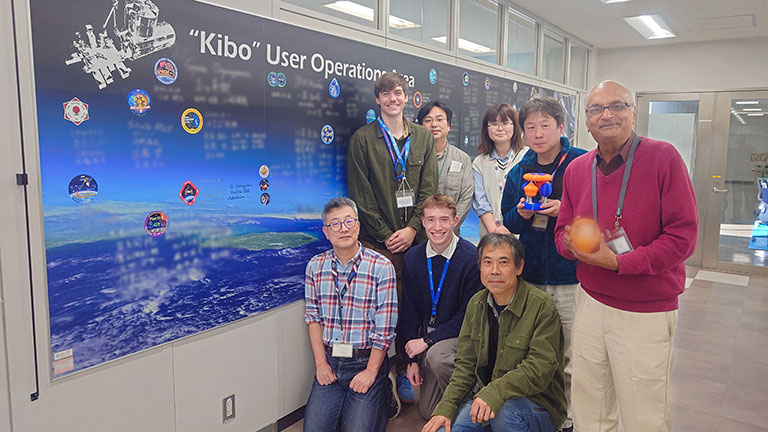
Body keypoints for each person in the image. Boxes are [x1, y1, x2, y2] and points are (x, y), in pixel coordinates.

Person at [554, 80, 698, 432]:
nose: (606, 115)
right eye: (596, 109)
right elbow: (561, 232)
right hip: (589, 302)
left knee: (643, 412)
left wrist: (618, 262)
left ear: (633, 113)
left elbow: (683, 238)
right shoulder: (576, 169)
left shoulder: (664, 158)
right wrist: (572, 246)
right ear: (586, 122)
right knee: (590, 406)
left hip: (644, 309)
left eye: (616, 105)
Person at [347, 71, 438, 403]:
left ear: (406, 96)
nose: (392, 99)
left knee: (413, 309)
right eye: (385, 94)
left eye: (397, 92)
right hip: (378, 244)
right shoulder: (362, 140)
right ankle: (382, 375)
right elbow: (361, 194)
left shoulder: (424, 138)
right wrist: (387, 235)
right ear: (377, 99)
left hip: (416, 243)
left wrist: (413, 228)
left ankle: (406, 369)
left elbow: (429, 189)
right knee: (382, 311)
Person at [500, 96, 587, 432]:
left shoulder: (579, 163)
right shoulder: (520, 169)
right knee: (532, 349)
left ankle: (567, 417)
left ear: (561, 127)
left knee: (569, 352)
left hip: (571, 275)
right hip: (531, 273)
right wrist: (521, 213)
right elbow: (509, 219)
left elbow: (594, 214)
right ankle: (537, 410)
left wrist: (563, 209)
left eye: (544, 126)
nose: (537, 134)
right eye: (531, 127)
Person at [422, 233, 567, 432]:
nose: (495, 271)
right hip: (491, 401)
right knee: (442, 428)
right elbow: (465, 364)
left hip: (537, 406)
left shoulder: (542, 306)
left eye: (504, 262)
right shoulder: (476, 303)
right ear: (480, 267)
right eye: (487, 262)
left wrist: (493, 393)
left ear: (519, 267)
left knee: (504, 413)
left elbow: (539, 368)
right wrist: (446, 406)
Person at [303, 197, 399, 432]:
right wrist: (321, 365)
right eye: (335, 224)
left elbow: (384, 329)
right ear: (326, 232)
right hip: (331, 362)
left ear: (357, 226)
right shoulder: (315, 266)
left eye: (348, 221)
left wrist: (370, 372)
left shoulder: (381, 266)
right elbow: (313, 318)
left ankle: (385, 389)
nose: (343, 228)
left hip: (366, 361)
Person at [399, 194, 483, 419]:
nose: (438, 227)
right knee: (428, 412)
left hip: (461, 339)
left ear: (455, 221)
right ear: (423, 222)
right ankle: (462, 408)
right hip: (429, 342)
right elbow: (409, 311)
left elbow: (468, 316)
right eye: (431, 220)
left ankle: (479, 401)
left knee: (437, 356)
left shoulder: (470, 257)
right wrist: (410, 361)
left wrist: (426, 342)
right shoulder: (414, 258)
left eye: (444, 220)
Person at [417, 101, 473, 235]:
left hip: (451, 235)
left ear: (448, 126)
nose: (434, 124)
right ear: (420, 126)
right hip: (417, 235)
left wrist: (446, 228)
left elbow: (466, 198)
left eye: (439, 119)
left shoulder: (462, 159)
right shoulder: (412, 158)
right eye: (428, 120)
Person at [472, 104, 529, 237]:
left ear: (515, 126)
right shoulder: (479, 163)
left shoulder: (528, 156)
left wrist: (511, 227)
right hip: (490, 234)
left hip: (522, 231)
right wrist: (495, 232)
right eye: (494, 124)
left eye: (505, 123)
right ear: (486, 129)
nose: (500, 128)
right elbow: (481, 202)